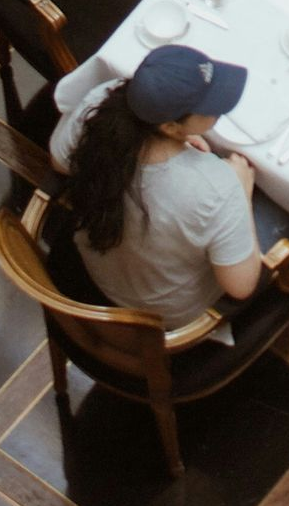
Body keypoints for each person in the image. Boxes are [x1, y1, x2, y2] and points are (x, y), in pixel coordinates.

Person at [50, 47, 265, 328]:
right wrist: (243, 192)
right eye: (211, 108)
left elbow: (59, 161)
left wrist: (178, 142)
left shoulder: (104, 99)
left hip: (97, 267)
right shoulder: (216, 187)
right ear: (170, 127)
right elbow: (241, 286)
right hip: (160, 314)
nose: (218, 111)